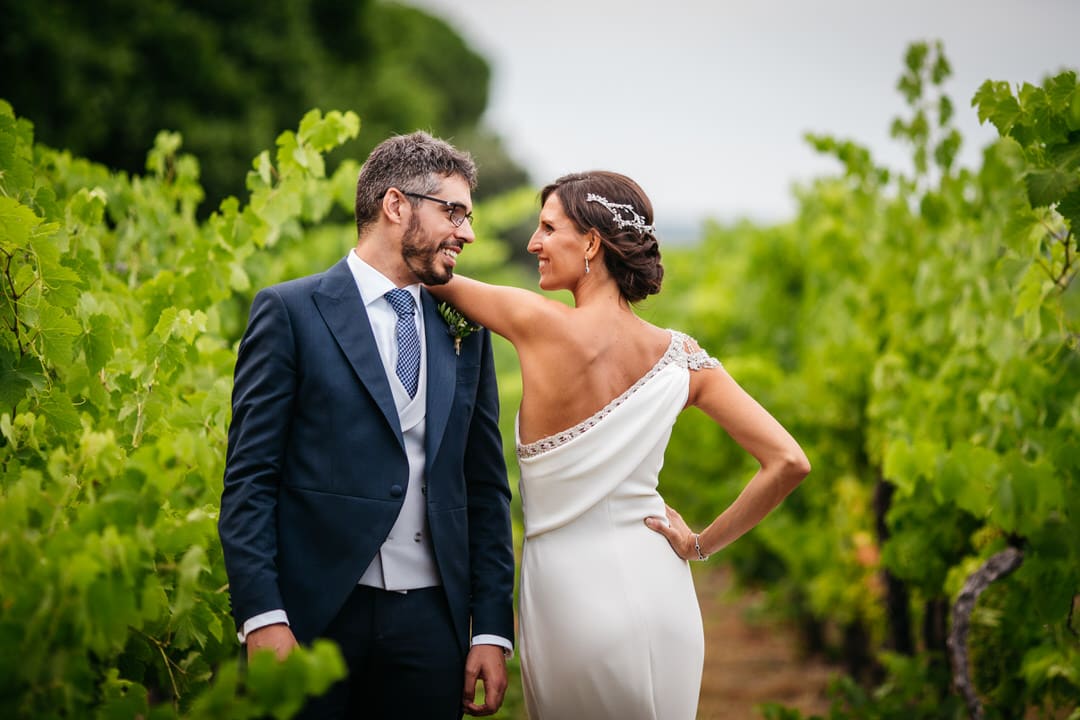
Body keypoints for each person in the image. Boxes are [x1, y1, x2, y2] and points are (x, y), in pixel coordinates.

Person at [427, 170, 811, 720]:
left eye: (547, 228)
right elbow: (789, 461)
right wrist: (699, 545)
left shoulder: (533, 321)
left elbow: (420, 270)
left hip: (569, 598)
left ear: (591, 242)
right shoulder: (684, 357)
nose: (533, 243)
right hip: (662, 591)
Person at [218, 131, 516, 719]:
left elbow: (483, 483)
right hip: (315, 616)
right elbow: (250, 476)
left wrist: (491, 629)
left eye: (470, 215)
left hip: (434, 623)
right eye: (453, 211)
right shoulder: (290, 312)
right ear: (396, 205)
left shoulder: (466, 327)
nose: (468, 232)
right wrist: (262, 616)